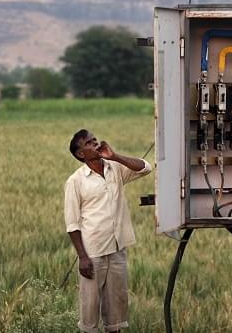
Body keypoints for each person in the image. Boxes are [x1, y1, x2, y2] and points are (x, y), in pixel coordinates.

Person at [64, 129, 152, 333]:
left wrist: (115, 156)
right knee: (90, 310)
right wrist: (82, 257)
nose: (95, 143)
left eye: (95, 139)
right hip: (92, 253)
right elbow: (72, 224)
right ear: (80, 154)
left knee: (117, 312)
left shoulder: (115, 168)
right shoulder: (76, 181)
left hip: (117, 248)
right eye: (89, 143)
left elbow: (145, 168)